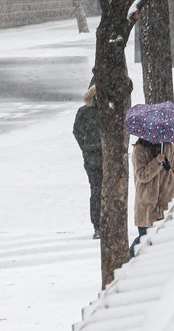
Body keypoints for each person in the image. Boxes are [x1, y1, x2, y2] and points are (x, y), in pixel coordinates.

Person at [130, 137, 174, 257]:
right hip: (147, 206)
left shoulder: (169, 147)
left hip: (166, 203)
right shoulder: (139, 149)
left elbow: (173, 171)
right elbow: (142, 175)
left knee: (163, 245)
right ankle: (127, 261)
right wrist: (156, 162)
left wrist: (171, 184)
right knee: (144, 242)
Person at [73, 85, 102, 239]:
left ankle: (101, 223)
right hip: (93, 160)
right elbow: (77, 130)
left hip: (101, 157)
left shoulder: (107, 111)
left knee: (100, 191)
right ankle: (98, 224)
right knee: (97, 191)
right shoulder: (84, 112)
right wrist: (88, 147)